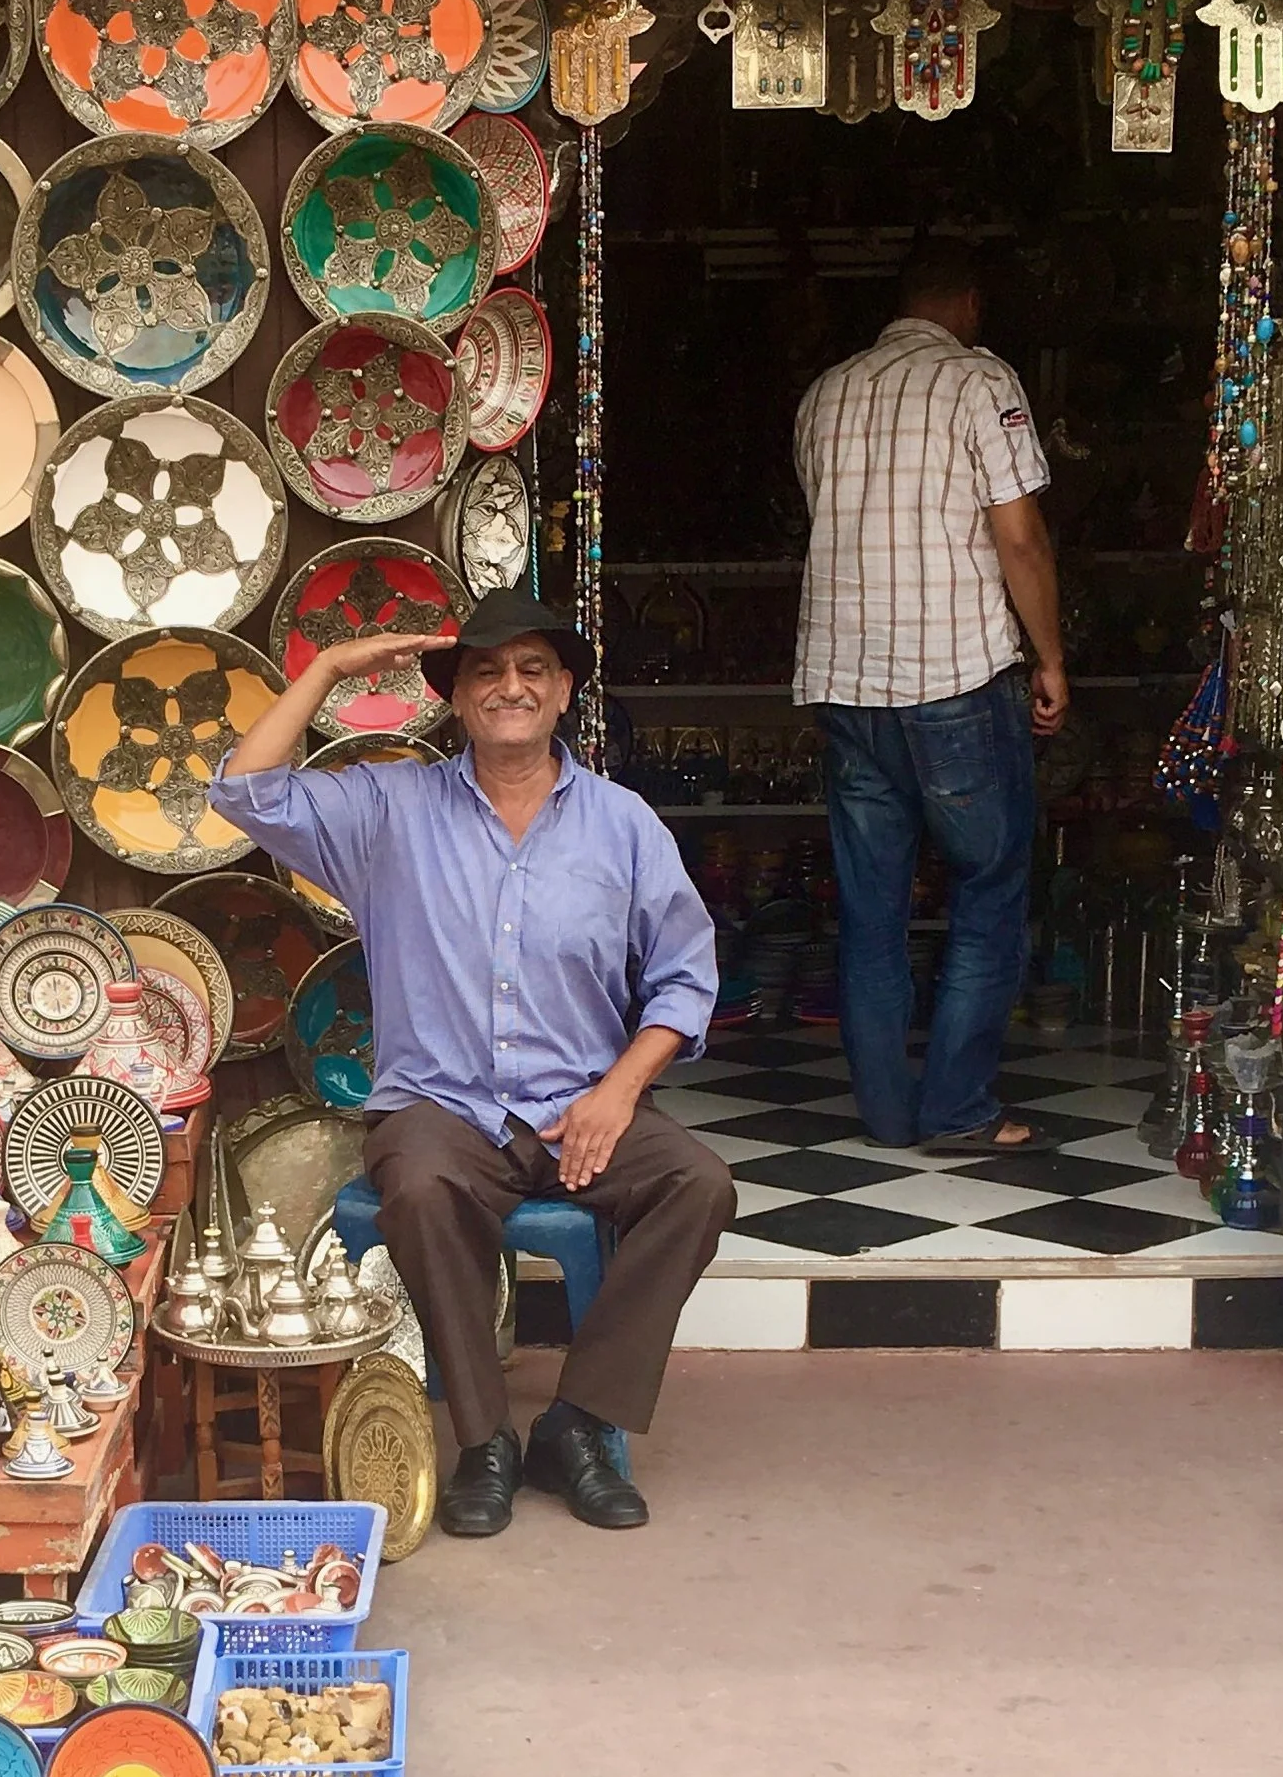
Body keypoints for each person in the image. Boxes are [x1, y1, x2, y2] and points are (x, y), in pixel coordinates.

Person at [217, 590, 732, 1539]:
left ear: (565, 689)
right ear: (456, 699)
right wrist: (328, 671)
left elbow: (685, 980)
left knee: (697, 1184)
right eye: (486, 671)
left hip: (580, 1103)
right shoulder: (389, 810)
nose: (511, 687)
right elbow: (244, 791)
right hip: (440, 1107)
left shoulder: (622, 825)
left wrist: (617, 1096)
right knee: (416, 1186)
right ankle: (487, 1440)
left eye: (533, 668)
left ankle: (577, 1424)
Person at [792, 232, 1067, 1154]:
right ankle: (955, 1108)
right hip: (953, 679)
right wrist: (1053, 658)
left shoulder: (824, 395)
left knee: (871, 911)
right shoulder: (981, 383)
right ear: (971, 307)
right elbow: (1019, 537)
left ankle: (885, 1115)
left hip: (846, 684)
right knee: (988, 888)